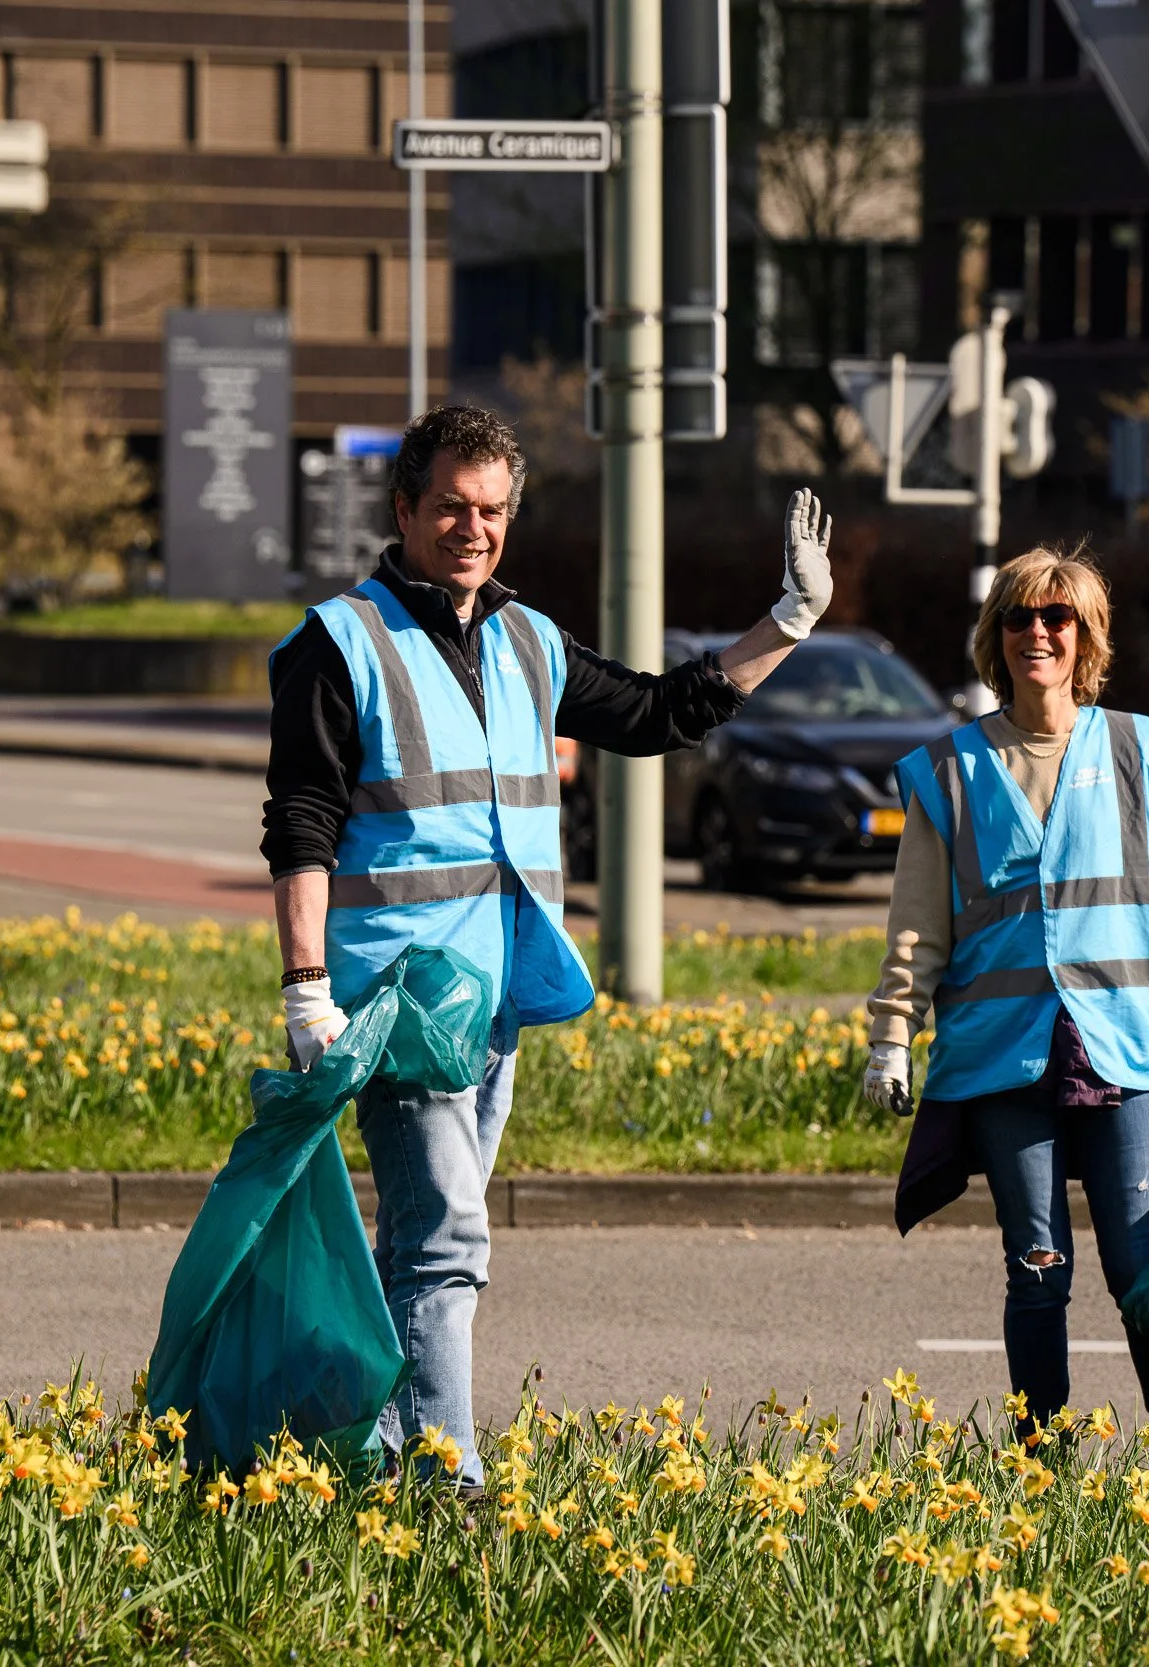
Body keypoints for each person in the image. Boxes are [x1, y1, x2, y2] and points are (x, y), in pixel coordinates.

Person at [261, 405, 833, 1487]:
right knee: (447, 1240)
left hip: (494, 995)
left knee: (423, 1238)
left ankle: (363, 1447)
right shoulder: (338, 642)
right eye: (450, 506)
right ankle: (446, 1474)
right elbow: (300, 825)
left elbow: (659, 713)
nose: (472, 528)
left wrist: (790, 620)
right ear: (404, 510)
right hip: (396, 999)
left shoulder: (528, 639)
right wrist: (306, 987)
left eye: (491, 510)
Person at [860, 543, 1149, 1432]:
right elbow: (917, 925)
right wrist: (891, 1037)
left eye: (1057, 617)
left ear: (1085, 636)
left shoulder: (1140, 753)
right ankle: (1039, 1461)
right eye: (1019, 617)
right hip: (1005, 1056)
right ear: (996, 636)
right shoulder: (951, 770)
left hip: (1126, 1050)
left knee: (1142, 1268)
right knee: (1036, 1266)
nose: (1038, 633)